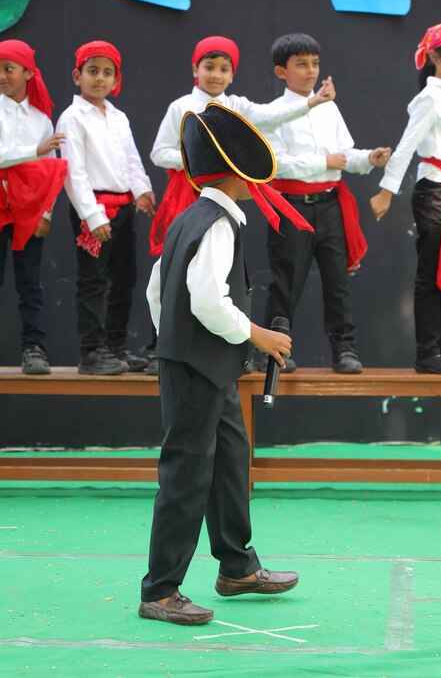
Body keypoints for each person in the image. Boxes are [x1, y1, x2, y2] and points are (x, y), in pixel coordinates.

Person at [140, 102, 314, 625]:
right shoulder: (216, 224)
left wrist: (176, 339)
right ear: (239, 174)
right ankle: (160, 590)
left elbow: (156, 290)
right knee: (187, 474)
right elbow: (208, 303)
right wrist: (258, 335)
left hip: (205, 368)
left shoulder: (190, 217)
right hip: (199, 369)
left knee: (230, 462)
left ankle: (237, 567)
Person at [145, 35, 335, 375]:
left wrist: (310, 103)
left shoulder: (236, 106)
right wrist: (201, 160)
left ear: (233, 74)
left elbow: (271, 116)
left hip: (221, 196)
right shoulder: (180, 107)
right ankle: (161, 347)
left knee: (218, 278)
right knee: (177, 270)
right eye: (209, 67)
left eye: (224, 69)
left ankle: (222, 353)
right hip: (188, 196)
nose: (216, 75)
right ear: (195, 69)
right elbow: (159, 152)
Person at [250, 33, 391, 374]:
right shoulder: (274, 113)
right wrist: (324, 161)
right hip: (291, 206)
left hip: (330, 205)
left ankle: (345, 350)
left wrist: (368, 159)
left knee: (337, 282)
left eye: (314, 63)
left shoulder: (329, 108)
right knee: (286, 282)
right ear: (281, 72)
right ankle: (274, 352)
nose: (310, 71)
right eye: (301, 64)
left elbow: (344, 156)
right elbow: (275, 165)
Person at [370, 21, 441, 374]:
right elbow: (406, 147)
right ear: (435, 58)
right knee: (432, 272)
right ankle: (428, 352)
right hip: (437, 191)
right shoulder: (429, 98)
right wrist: (386, 192)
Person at [56, 41, 156, 375]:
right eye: (92, 71)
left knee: (124, 278)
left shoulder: (118, 117)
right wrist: (91, 215)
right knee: (94, 281)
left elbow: (131, 159)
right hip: (94, 209)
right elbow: (73, 172)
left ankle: (116, 346)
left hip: (123, 207)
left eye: (107, 72)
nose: (100, 79)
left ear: (116, 79)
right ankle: (91, 352)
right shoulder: (72, 118)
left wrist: (142, 190)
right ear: (77, 76)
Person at [0, 39, 67, 374]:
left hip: (28, 211)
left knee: (30, 282)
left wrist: (46, 213)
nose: (2, 76)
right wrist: (33, 151)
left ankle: (34, 348)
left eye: (8, 69)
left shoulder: (42, 119)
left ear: (28, 72)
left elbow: (50, 170)